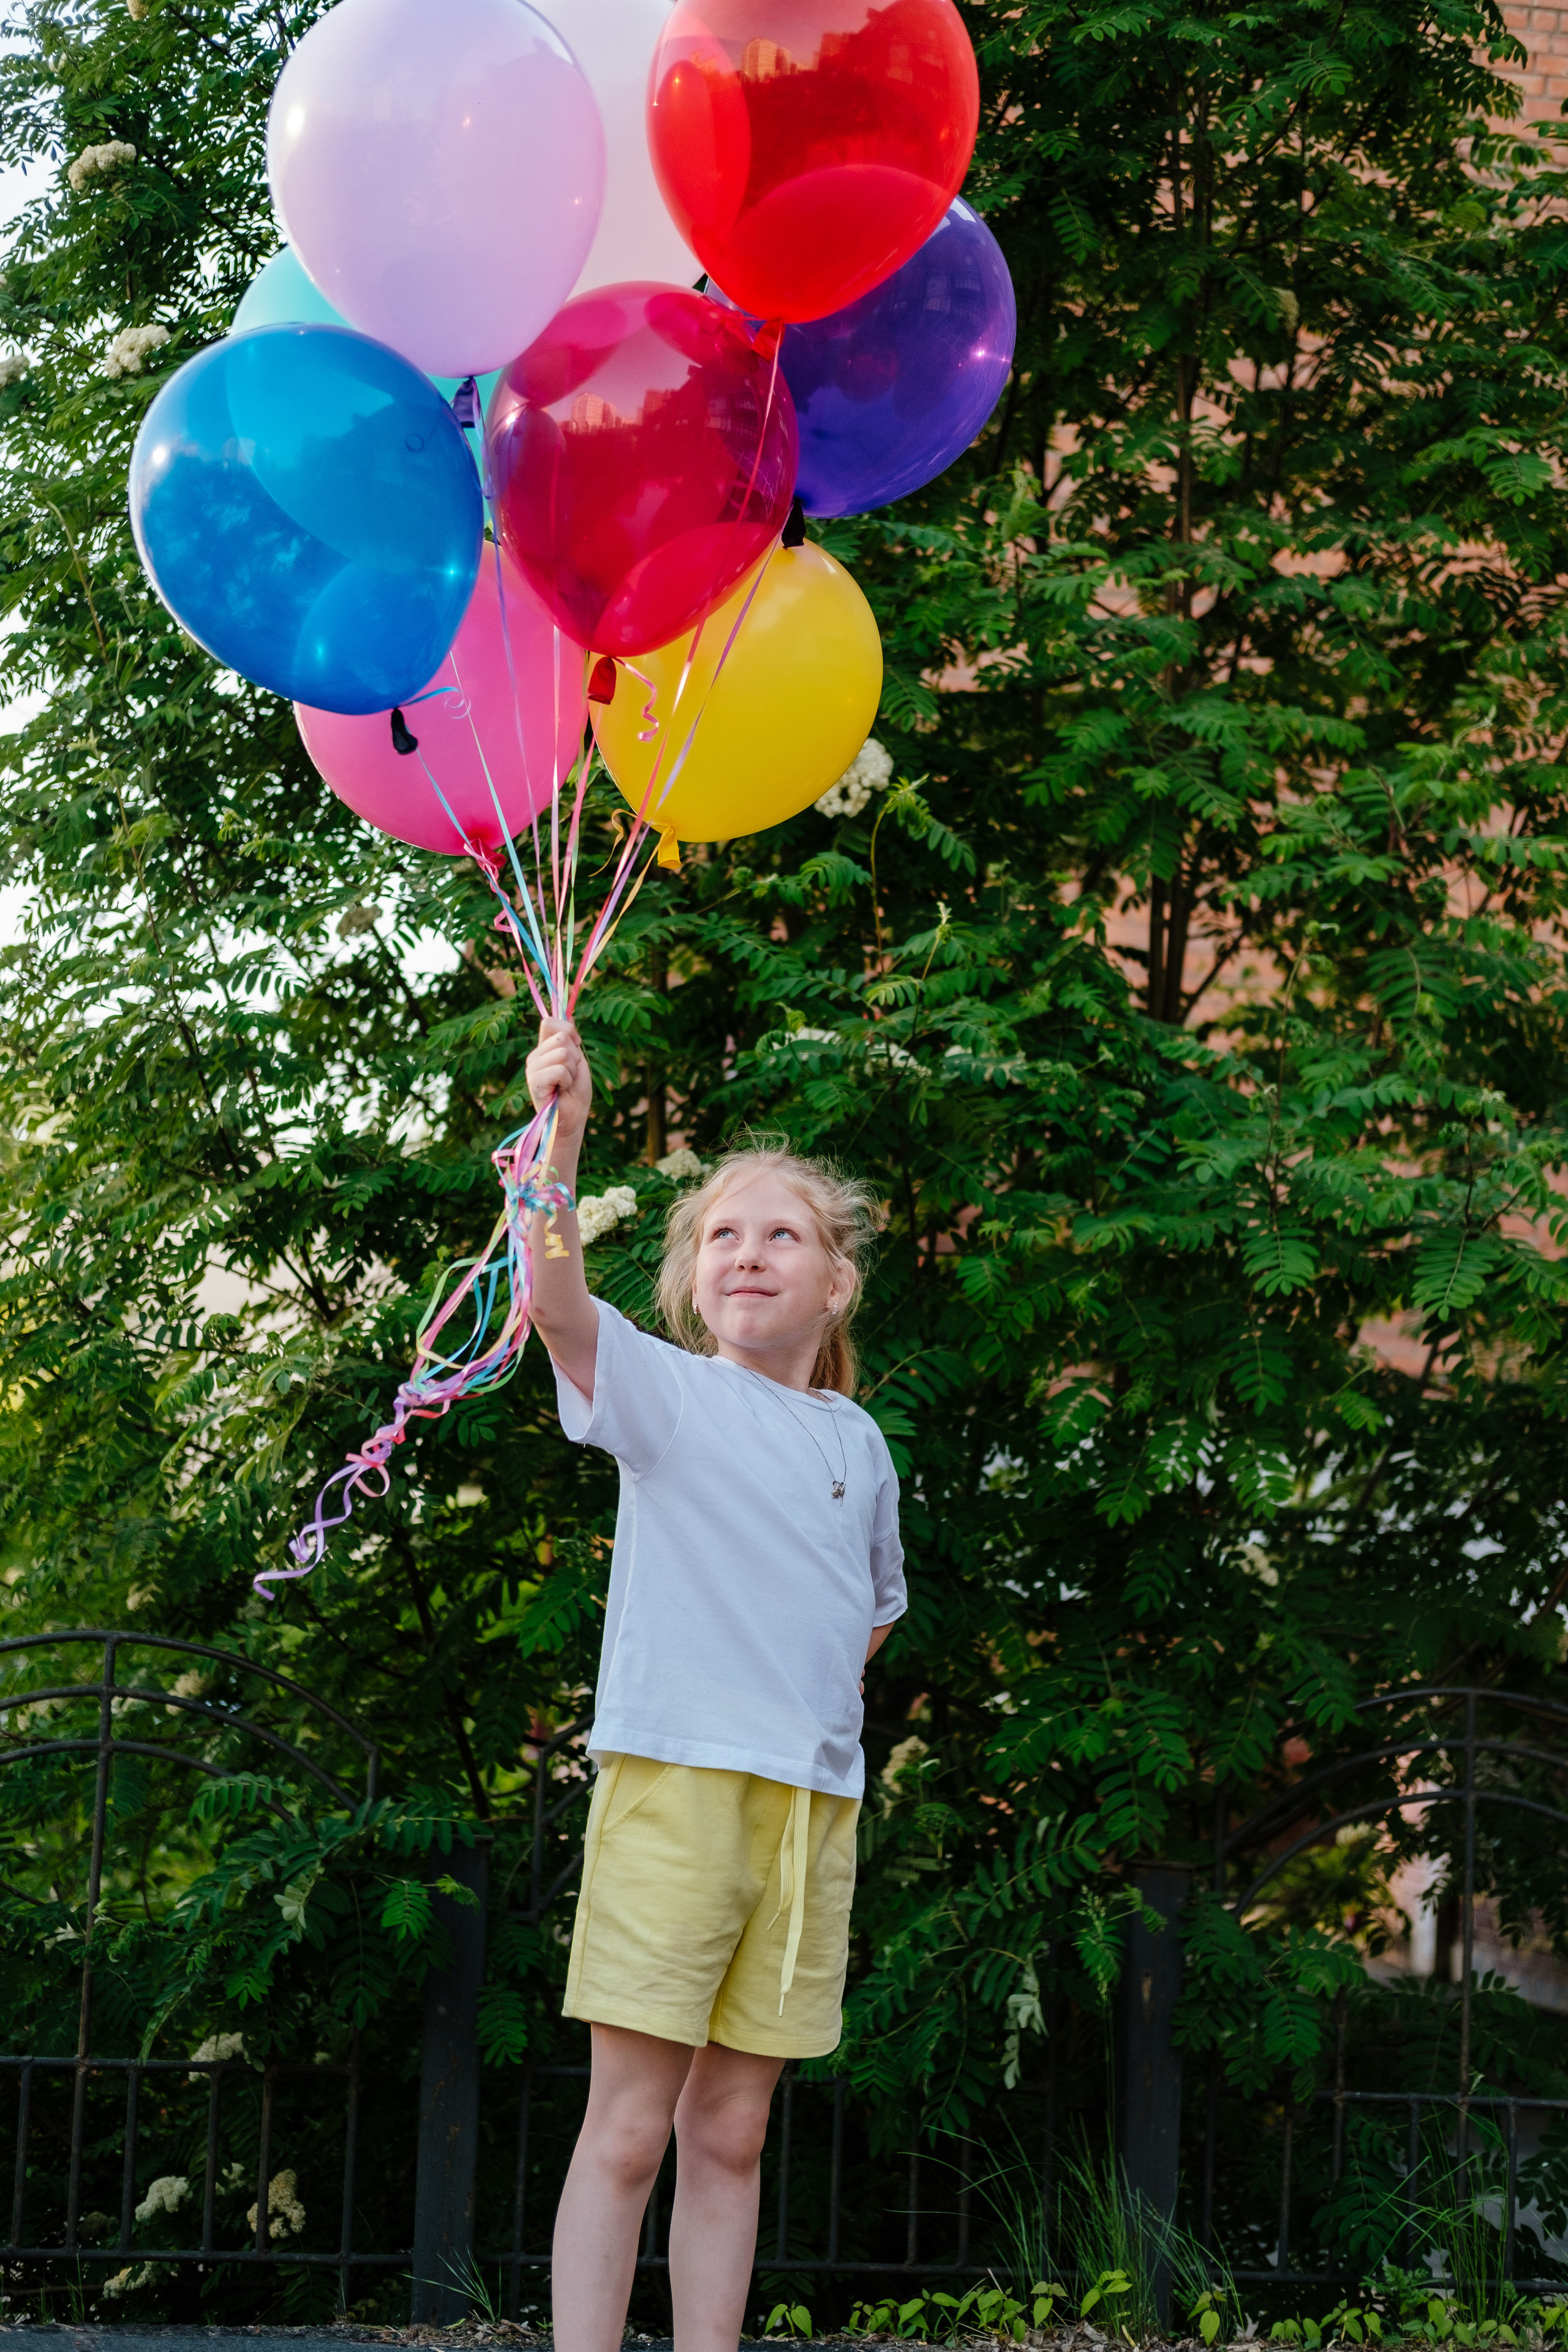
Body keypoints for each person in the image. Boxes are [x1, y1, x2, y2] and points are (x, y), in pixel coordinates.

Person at [522, 1015, 906, 2352]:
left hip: (807, 1811)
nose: (748, 1251)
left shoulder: (858, 1440)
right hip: (677, 1789)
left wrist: (792, 1698)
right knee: (629, 2128)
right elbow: (554, 1300)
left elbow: (869, 1616)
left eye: (780, 1235)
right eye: (723, 1236)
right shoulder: (670, 1396)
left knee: (730, 2130)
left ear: (835, 1283)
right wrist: (561, 1144)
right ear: (693, 1280)